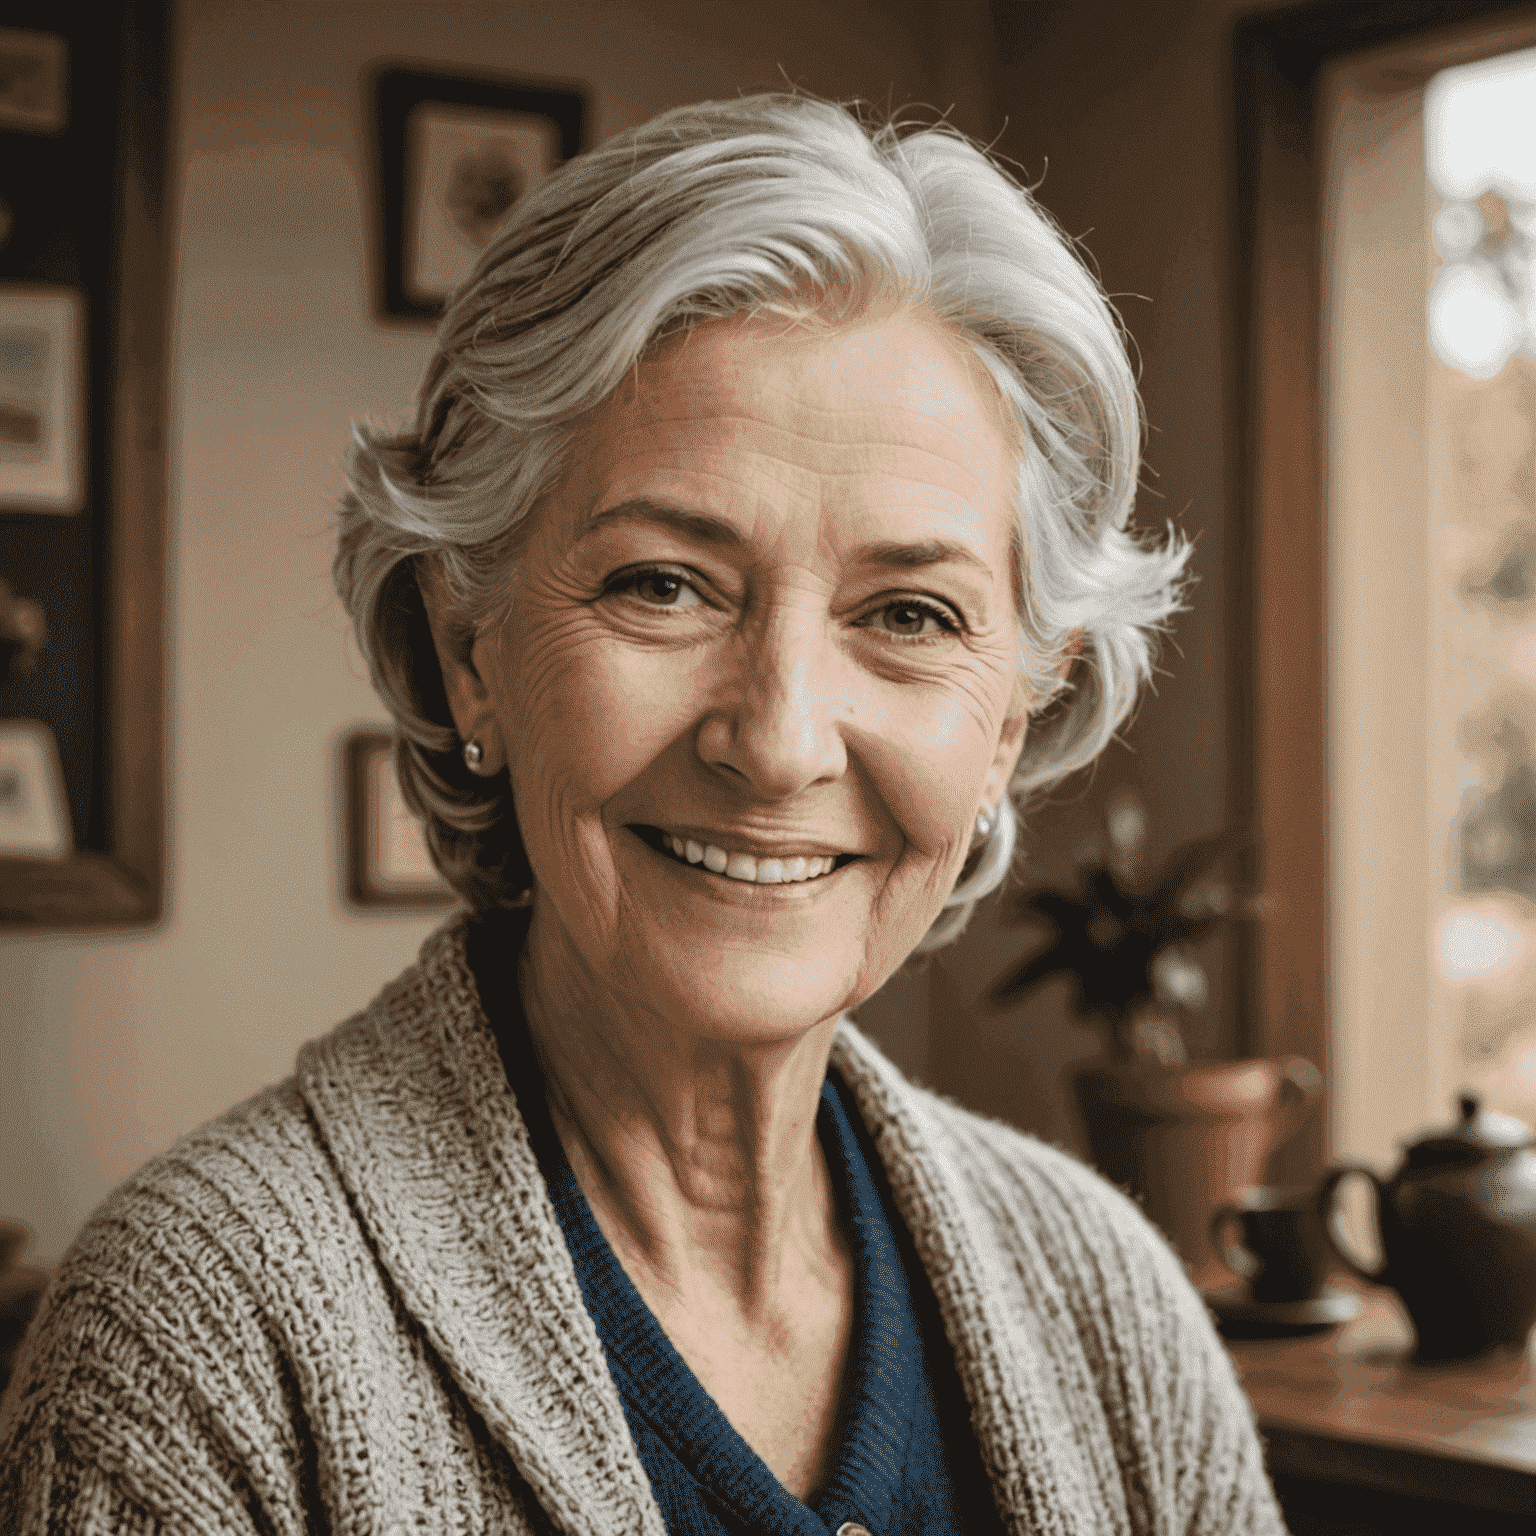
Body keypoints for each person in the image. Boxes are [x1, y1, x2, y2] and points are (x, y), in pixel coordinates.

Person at [0, 94, 1286, 1534]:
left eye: (911, 614)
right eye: (662, 584)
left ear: (1009, 724)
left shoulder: (1114, 1305)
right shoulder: (195, 1343)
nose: (780, 739)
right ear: (467, 647)